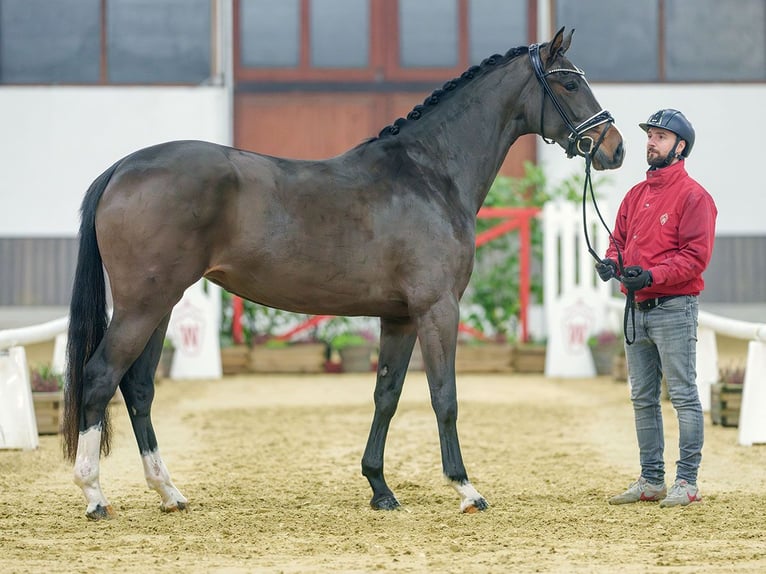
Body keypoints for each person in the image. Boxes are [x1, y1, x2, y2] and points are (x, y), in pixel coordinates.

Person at [595, 109, 717, 508]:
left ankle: (687, 481)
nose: (651, 142)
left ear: (680, 147)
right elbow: (619, 238)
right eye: (650, 135)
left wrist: (650, 276)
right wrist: (612, 264)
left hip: (673, 308)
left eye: (661, 137)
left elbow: (695, 258)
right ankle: (651, 480)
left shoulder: (695, 197)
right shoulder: (635, 195)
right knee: (642, 397)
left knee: (682, 394)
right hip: (638, 308)